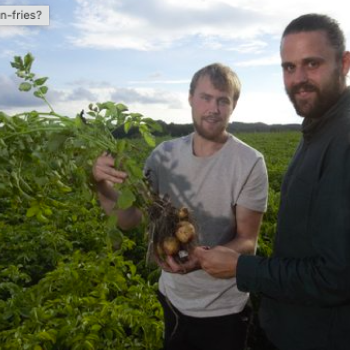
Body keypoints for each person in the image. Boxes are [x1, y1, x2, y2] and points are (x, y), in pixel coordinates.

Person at [195, 13, 350, 350]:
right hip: (286, 326)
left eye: (312, 63)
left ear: (345, 63)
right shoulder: (317, 129)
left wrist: (242, 268)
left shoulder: (344, 138)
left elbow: (338, 277)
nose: (299, 79)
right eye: (289, 67)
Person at [92, 63, 268, 350]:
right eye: (206, 97)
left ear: (233, 105)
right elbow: (129, 220)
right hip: (172, 299)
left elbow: (247, 241)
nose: (213, 108)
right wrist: (100, 185)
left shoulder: (250, 162)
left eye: (223, 100)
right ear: (190, 98)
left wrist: (202, 258)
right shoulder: (163, 155)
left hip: (224, 309)